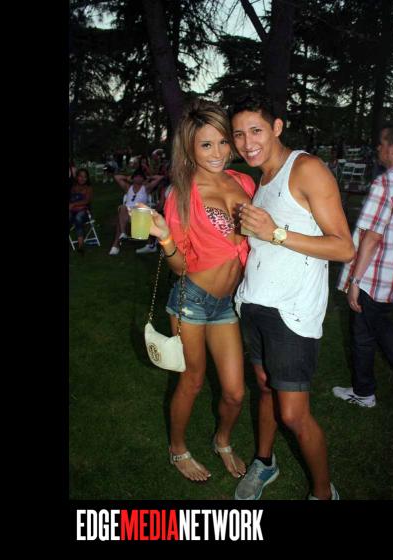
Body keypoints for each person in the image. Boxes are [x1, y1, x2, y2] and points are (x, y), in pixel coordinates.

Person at [229, 95, 355, 500]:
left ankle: (323, 493)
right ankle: (264, 462)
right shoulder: (262, 180)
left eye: (256, 131)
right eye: (239, 134)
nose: (247, 143)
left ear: (277, 127)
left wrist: (275, 233)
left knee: (293, 414)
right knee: (265, 387)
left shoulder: (306, 169)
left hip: (292, 312)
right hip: (254, 303)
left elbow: (343, 247)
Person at [137, 98, 256, 482]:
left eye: (222, 142)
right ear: (189, 148)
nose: (218, 152)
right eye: (206, 145)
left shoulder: (243, 182)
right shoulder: (182, 194)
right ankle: (178, 448)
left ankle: (222, 440)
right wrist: (165, 238)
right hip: (192, 300)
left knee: (235, 392)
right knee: (192, 380)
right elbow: (180, 266)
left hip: (228, 303)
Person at [333, 122, 393, 409]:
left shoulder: (386, 184)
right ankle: (364, 389)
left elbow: (371, 237)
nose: (378, 148)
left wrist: (355, 281)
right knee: (377, 326)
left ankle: (364, 393)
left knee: (365, 333)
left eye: (381, 144)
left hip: (373, 277)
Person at [109, 169, 163, 256]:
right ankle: (123, 233)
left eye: (140, 177)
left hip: (140, 214)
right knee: (122, 208)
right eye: (136, 176)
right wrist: (127, 178)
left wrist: (148, 178)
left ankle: (116, 244)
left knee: (120, 219)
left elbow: (159, 178)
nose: (138, 178)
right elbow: (117, 177)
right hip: (128, 214)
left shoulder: (146, 188)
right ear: (133, 178)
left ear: (143, 178)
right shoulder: (128, 187)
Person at [69, 168, 94, 253]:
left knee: (78, 218)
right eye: (80, 176)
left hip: (84, 212)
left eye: (85, 177)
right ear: (77, 177)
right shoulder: (73, 187)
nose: (82, 178)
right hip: (73, 211)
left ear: (87, 178)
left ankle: (81, 245)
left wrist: (74, 204)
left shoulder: (88, 188)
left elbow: (86, 201)